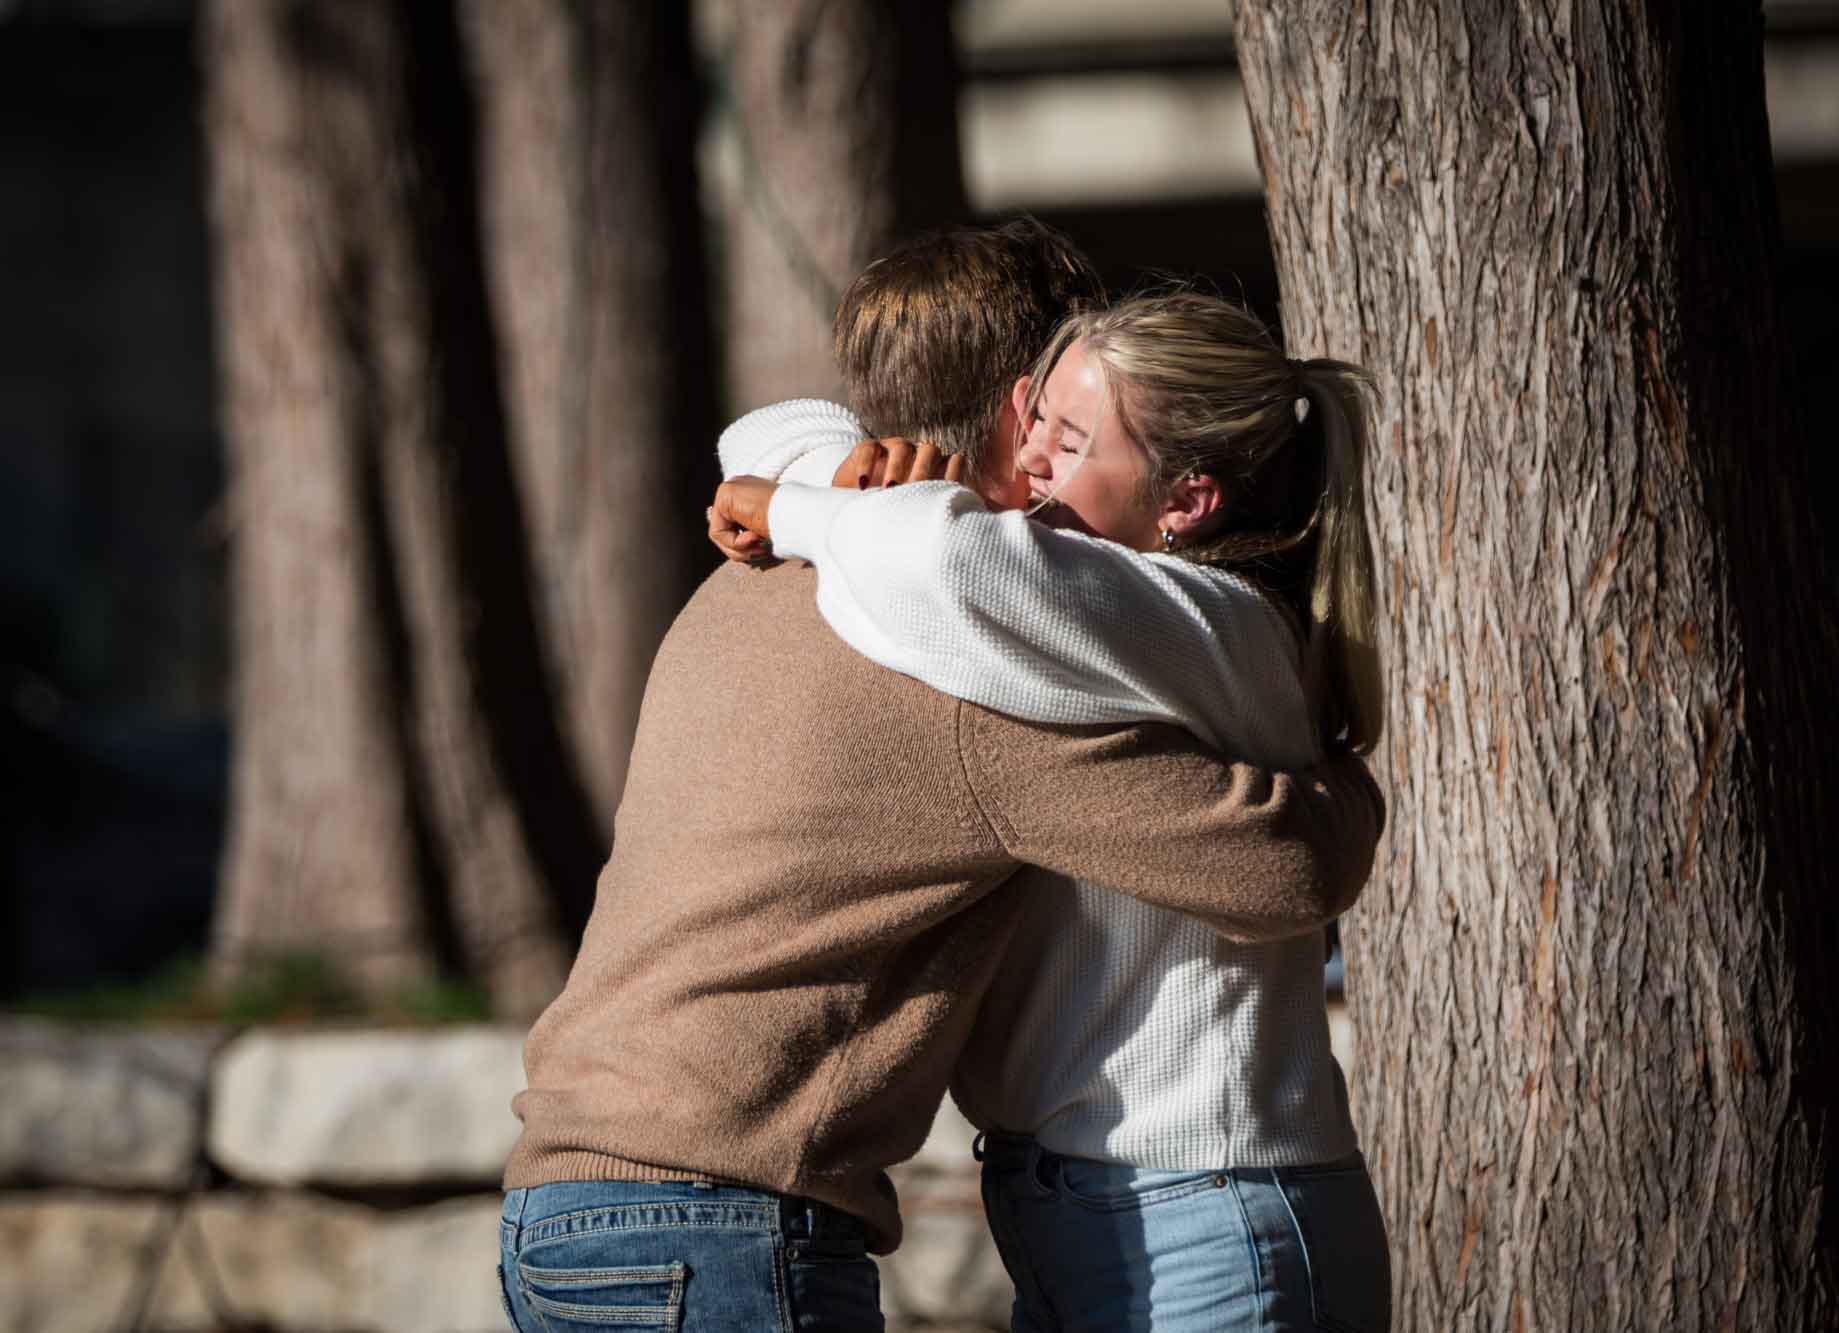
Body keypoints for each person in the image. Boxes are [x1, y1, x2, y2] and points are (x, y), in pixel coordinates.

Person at [498, 229, 1386, 1333]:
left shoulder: (748, 582)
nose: (1055, 457)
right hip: (714, 1222)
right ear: (1018, 416)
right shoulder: (962, 671)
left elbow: (904, 524)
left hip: (566, 1196)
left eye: (1083, 430)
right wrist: (1353, 786)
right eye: (1050, 423)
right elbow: (1285, 863)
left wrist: (796, 491)